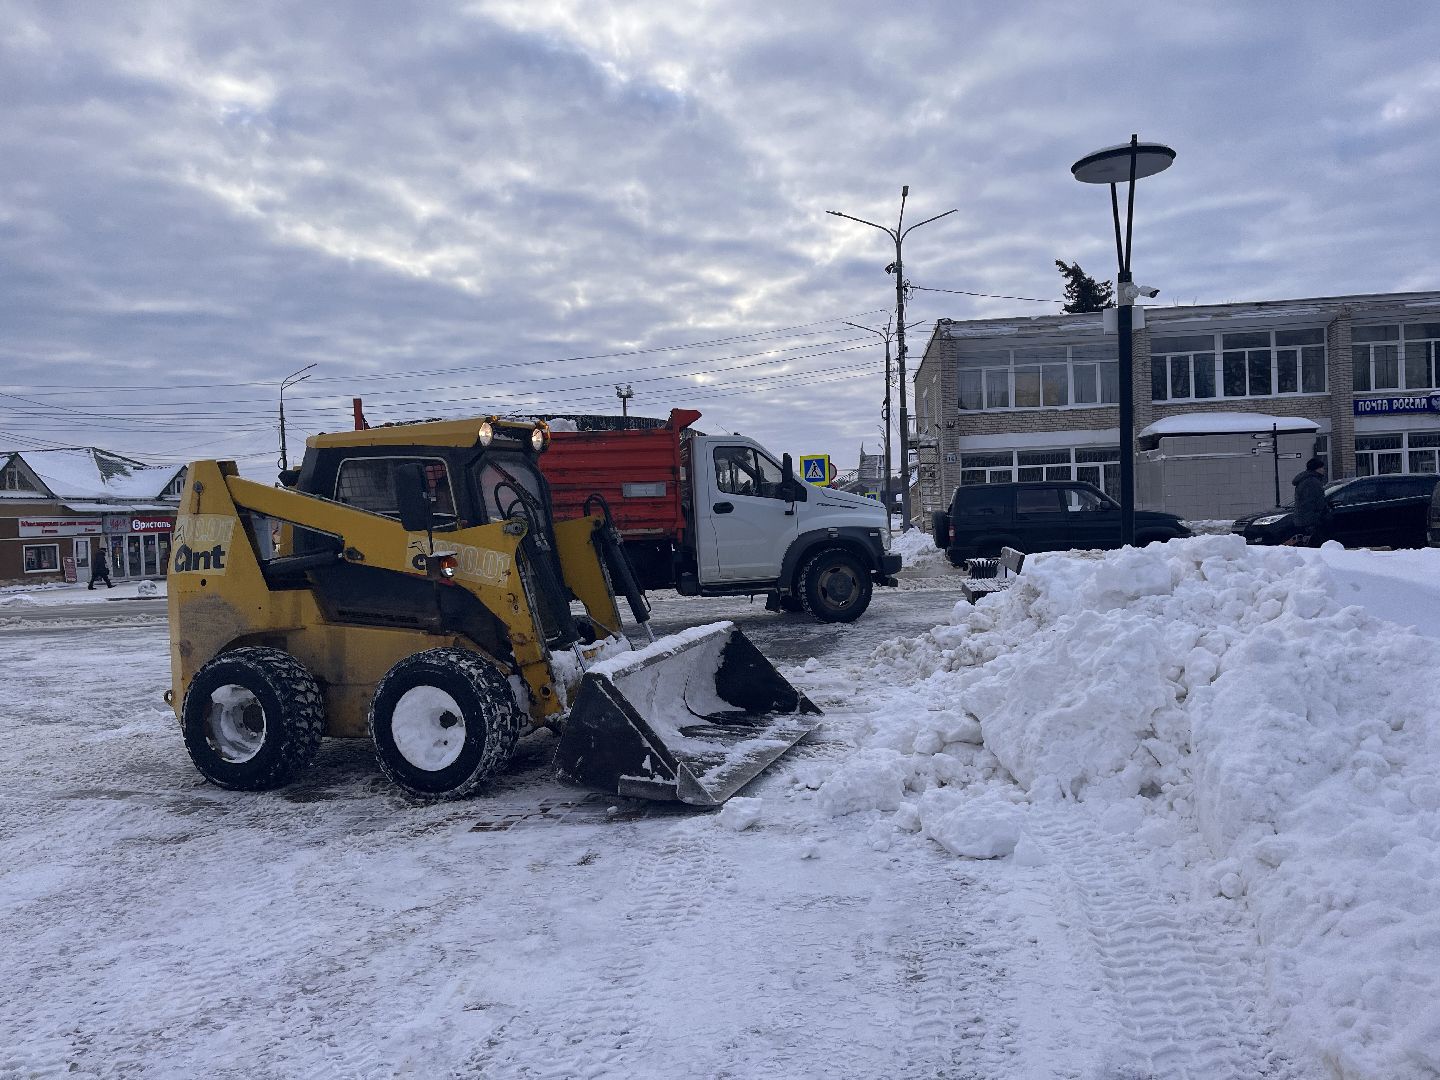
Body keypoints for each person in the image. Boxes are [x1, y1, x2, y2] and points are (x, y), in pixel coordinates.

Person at [1291, 456, 1330, 547]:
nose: (1323, 470)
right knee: (1315, 544)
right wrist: (1323, 513)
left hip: (1303, 518)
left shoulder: (1304, 480)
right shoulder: (1313, 481)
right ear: (1317, 469)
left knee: (1306, 543)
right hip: (1311, 520)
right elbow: (1317, 501)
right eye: (1322, 467)